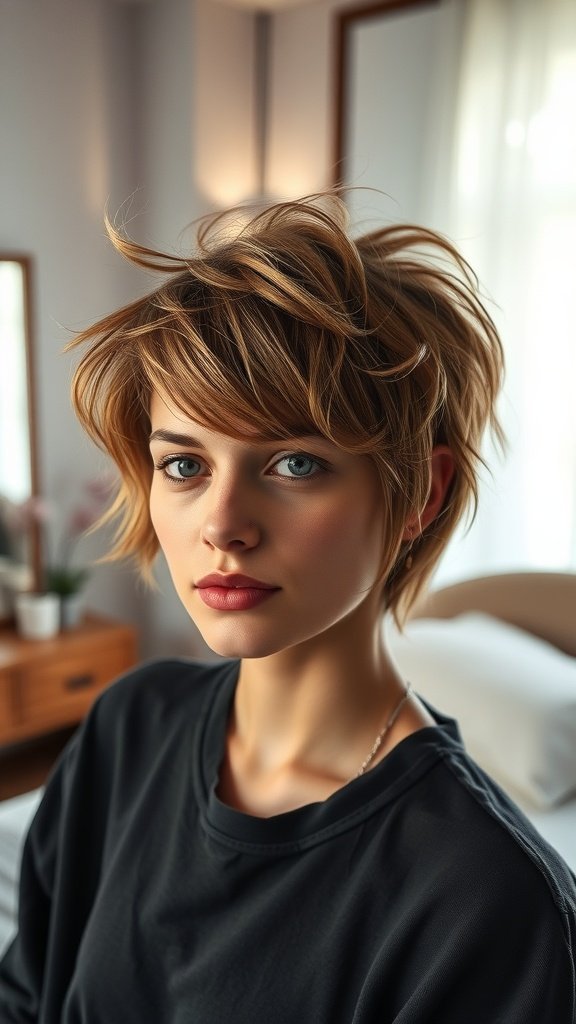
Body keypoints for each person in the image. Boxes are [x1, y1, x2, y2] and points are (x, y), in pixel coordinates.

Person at [1, 193, 574, 1023]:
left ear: (422, 493)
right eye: (185, 465)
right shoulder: (129, 727)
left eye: (295, 464)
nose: (222, 526)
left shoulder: (486, 901)